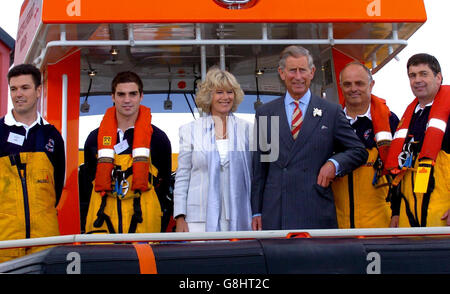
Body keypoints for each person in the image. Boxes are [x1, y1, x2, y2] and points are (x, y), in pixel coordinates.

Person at [251, 45, 368, 230]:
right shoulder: (267, 113)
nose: (298, 77)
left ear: (312, 72)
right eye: (292, 71)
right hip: (276, 214)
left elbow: (358, 151)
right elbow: (261, 167)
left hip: (315, 210)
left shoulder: (330, 111)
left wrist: (334, 164)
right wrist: (256, 211)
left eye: (302, 70)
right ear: (282, 73)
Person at [82, 71, 172, 234]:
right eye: (121, 94)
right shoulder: (94, 139)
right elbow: (87, 181)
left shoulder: (158, 138)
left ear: (141, 96)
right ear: (112, 97)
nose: (127, 100)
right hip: (102, 222)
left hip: (143, 223)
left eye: (133, 94)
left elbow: (164, 183)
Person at [173, 68, 253, 232]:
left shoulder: (249, 130)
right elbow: (182, 176)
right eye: (219, 92)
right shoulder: (189, 130)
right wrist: (180, 216)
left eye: (230, 92)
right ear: (209, 96)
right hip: (198, 218)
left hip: (239, 216)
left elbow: (257, 176)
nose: (225, 97)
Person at [0, 64, 65, 262]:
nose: (18, 94)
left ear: (38, 91)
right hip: (5, 239)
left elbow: (57, 187)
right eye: (13, 88)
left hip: (45, 240)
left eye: (25, 88)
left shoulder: (52, 135)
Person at [331, 61, 399, 228]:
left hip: (381, 226)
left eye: (359, 83)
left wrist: (397, 213)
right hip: (337, 227)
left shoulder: (391, 121)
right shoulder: (329, 123)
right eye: (347, 84)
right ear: (340, 87)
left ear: (371, 84)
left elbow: (402, 173)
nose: (353, 89)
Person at [386, 53, 450, 227]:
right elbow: (401, 169)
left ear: (438, 77)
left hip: (442, 218)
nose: (417, 80)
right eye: (412, 75)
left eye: (423, 74)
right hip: (410, 219)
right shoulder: (408, 118)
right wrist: (396, 212)